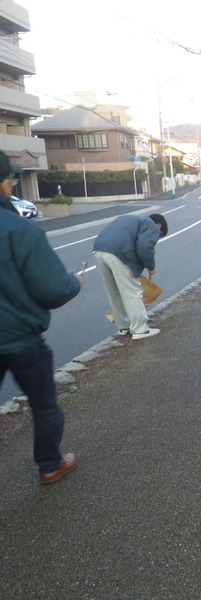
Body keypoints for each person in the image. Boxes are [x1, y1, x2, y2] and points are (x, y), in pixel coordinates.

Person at [0, 151, 83, 483]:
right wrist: (73, 284)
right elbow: (52, 289)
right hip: (22, 339)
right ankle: (50, 465)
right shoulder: (20, 230)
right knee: (44, 405)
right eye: (10, 179)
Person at [93, 213, 168, 340]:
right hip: (118, 254)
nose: (157, 235)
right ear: (159, 225)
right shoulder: (150, 225)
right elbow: (145, 247)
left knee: (114, 292)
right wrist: (150, 266)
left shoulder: (129, 219)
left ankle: (123, 326)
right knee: (132, 292)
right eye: (159, 233)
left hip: (98, 250)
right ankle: (140, 329)